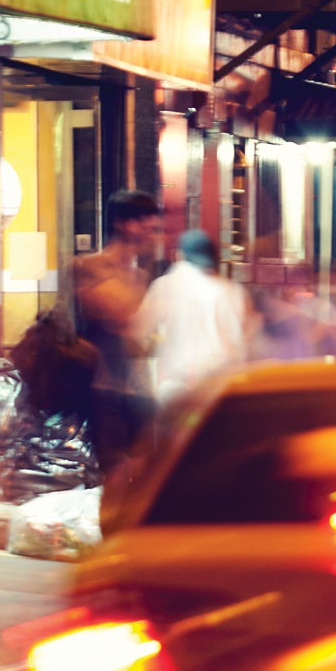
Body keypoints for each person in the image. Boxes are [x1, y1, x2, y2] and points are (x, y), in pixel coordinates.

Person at [70, 189, 161, 473]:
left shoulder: (143, 276)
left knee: (146, 473)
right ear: (125, 223)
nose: (153, 236)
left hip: (141, 387)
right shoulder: (88, 267)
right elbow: (118, 318)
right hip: (106, 388)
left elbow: (147, 333)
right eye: (149, 227)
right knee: (114, 472)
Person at [134, 229, 252, 404]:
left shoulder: (165, 285)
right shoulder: (233, 291)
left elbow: (139, 334)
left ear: (179, 256)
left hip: (179, 384)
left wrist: (161, 340)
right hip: (223, 386)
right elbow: (246, 341)